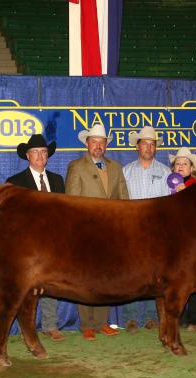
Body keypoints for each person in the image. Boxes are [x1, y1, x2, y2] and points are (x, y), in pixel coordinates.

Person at [65, 124, 129, 340]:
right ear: (87, 144)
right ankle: (86, 325)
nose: (98, 146)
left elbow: (124, 200)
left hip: (111, 232)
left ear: (106, 145)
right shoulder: (77, 166)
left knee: (107, 277)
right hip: (86, 232)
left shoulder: (116, 167)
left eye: (102, 142)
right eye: (94, 142)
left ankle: (102, 322)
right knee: (85, 278)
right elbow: (71, 202)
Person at [7, 134, 66, 342]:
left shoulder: (58, 180)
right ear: (27, 156)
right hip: (27, 245)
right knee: (26, 287)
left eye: (43, 152)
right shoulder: (15, 182)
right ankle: (27, 328)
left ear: (48, 156)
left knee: (51, 284)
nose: (40, 156)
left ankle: (50, 325)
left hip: (52, 242)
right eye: (35, 152)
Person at [121, 126, 171, 333]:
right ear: (137, 146)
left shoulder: (166, 172)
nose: (148, 147)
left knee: (155, 275)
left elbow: (171, 203)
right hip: (131, 230)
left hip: (157, 232)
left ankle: (151, 317)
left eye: (152, 144)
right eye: (144, 143)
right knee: (130, 274)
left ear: (155, 148)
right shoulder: (125, 171)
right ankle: (131, 318)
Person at [168, 147, 196, 331]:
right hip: (173, 238)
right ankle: (178, 317)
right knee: (175, 279)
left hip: (191, 238)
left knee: (191, 278)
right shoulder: (168, 185)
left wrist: (185, 193)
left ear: (191, 168)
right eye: (178, 164)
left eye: (184, 164)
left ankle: (195, 319)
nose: (181, 167)